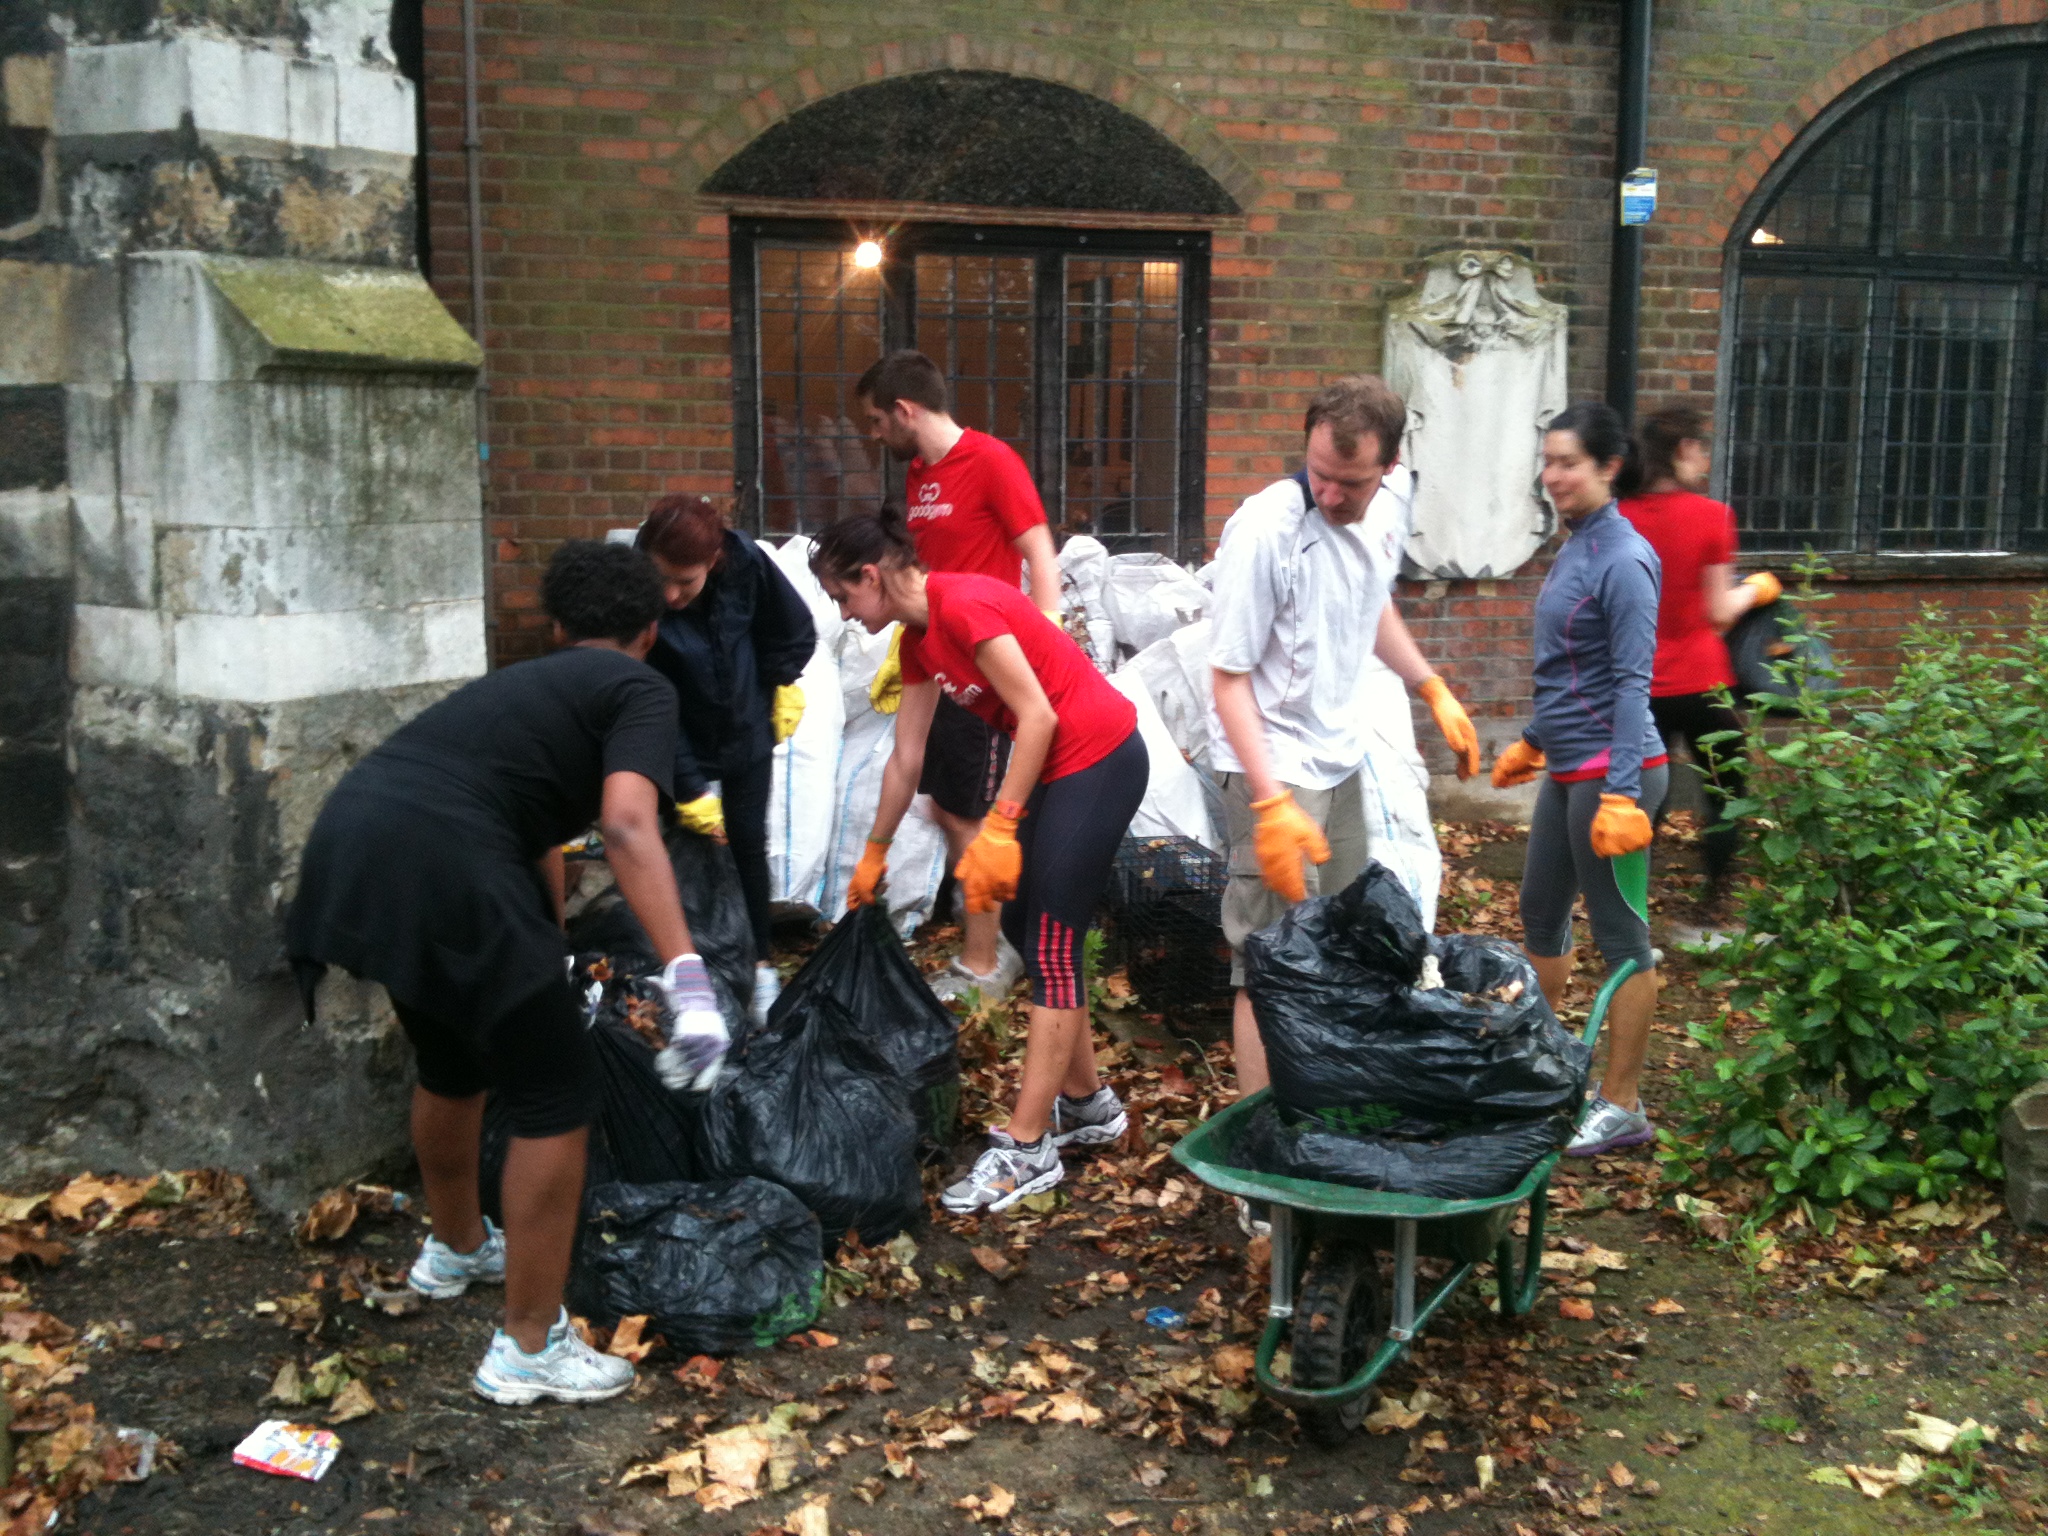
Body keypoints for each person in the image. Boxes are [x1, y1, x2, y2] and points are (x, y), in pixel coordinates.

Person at [286, 541, 731, 1405]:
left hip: (355, 843)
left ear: (559, 628)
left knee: (452, 1063)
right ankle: (530, 1345)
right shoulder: (640, 686)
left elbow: (537, 836)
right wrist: (689, 979)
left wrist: (548, 946)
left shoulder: (518, 688)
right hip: (450, 861)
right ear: (650, 629)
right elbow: (629, 826)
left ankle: (456, 1246)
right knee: (557, 1095)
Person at [809, 508, 1150, 1213]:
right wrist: (872, 853)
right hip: (1059, 769)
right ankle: (1088, 1106)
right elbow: (906, 759)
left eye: (844, 597)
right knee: (1032, 934)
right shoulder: (918, 641)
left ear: (871, 576)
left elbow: (1040, 716)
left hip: (1102, 756)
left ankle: (1028, 1149)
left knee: (1053, 940)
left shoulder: (963, 605)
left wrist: (999, 826)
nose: (845, 613)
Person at [1208, 375, 1481, 1107]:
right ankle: (1259, 1157)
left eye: (1349, 483)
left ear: (1387, 470)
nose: (1330, 495)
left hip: (1339, 756)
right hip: (1269, 761)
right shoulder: (1266, 530)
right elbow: (1227, 679)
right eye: (1319, 474)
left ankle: (1321, 1100)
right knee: (1266, 960)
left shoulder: (1389, 506)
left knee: (1343, 934)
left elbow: (1371, 604)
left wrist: (1431, 686)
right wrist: (1269, 805)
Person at [858, 350, 1063, 1001]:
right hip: (931, 654)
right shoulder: (919, 474)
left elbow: (1037, 549)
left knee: (970, 814)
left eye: (875, 421)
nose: (873, 435)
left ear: (905, 410)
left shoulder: (993, 461)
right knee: (945, 805)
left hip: (983, 663)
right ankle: (986, 923)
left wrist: (1044, 634)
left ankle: (985, 962)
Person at [1491, 402, 1667, 1156]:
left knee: (1624, 940)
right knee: (1540, 913)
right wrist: (1534, 740)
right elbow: (1574, 671)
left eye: (1568, 462)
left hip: (1614, 778)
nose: (1553, 475)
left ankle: (1623, 1104)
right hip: (1570, 768)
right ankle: (1546, 1067)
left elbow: (1632, 684)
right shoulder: (1576, 547)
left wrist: (1624, 793)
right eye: (1549, 460)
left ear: (1608, 467)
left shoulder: (1624, 559)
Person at [634, 494, 818, 1019]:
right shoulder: (636, 593)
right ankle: (679, 967)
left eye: (684, 583)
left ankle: (759, 967)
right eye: (659, 579)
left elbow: (792, 628)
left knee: (746, 844)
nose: (669, 595)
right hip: (670, 730)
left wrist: (781, 683)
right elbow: (646, 696)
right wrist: (689, 786)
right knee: (676, 851)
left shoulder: (747, 564)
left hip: (743, 725)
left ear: (714, 562)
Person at [1617, 402, 1780, 908]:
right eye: (1702, 446)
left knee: (1645, 798)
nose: (1705, 457)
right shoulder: (1713, 517)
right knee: (1726, 794)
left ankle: (1626, 902)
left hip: (1639, 684)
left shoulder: (1619, 517)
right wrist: (1757, 588)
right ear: (1684, 449)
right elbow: (1718, 613)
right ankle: (1714, 901)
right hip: (1702, 683)